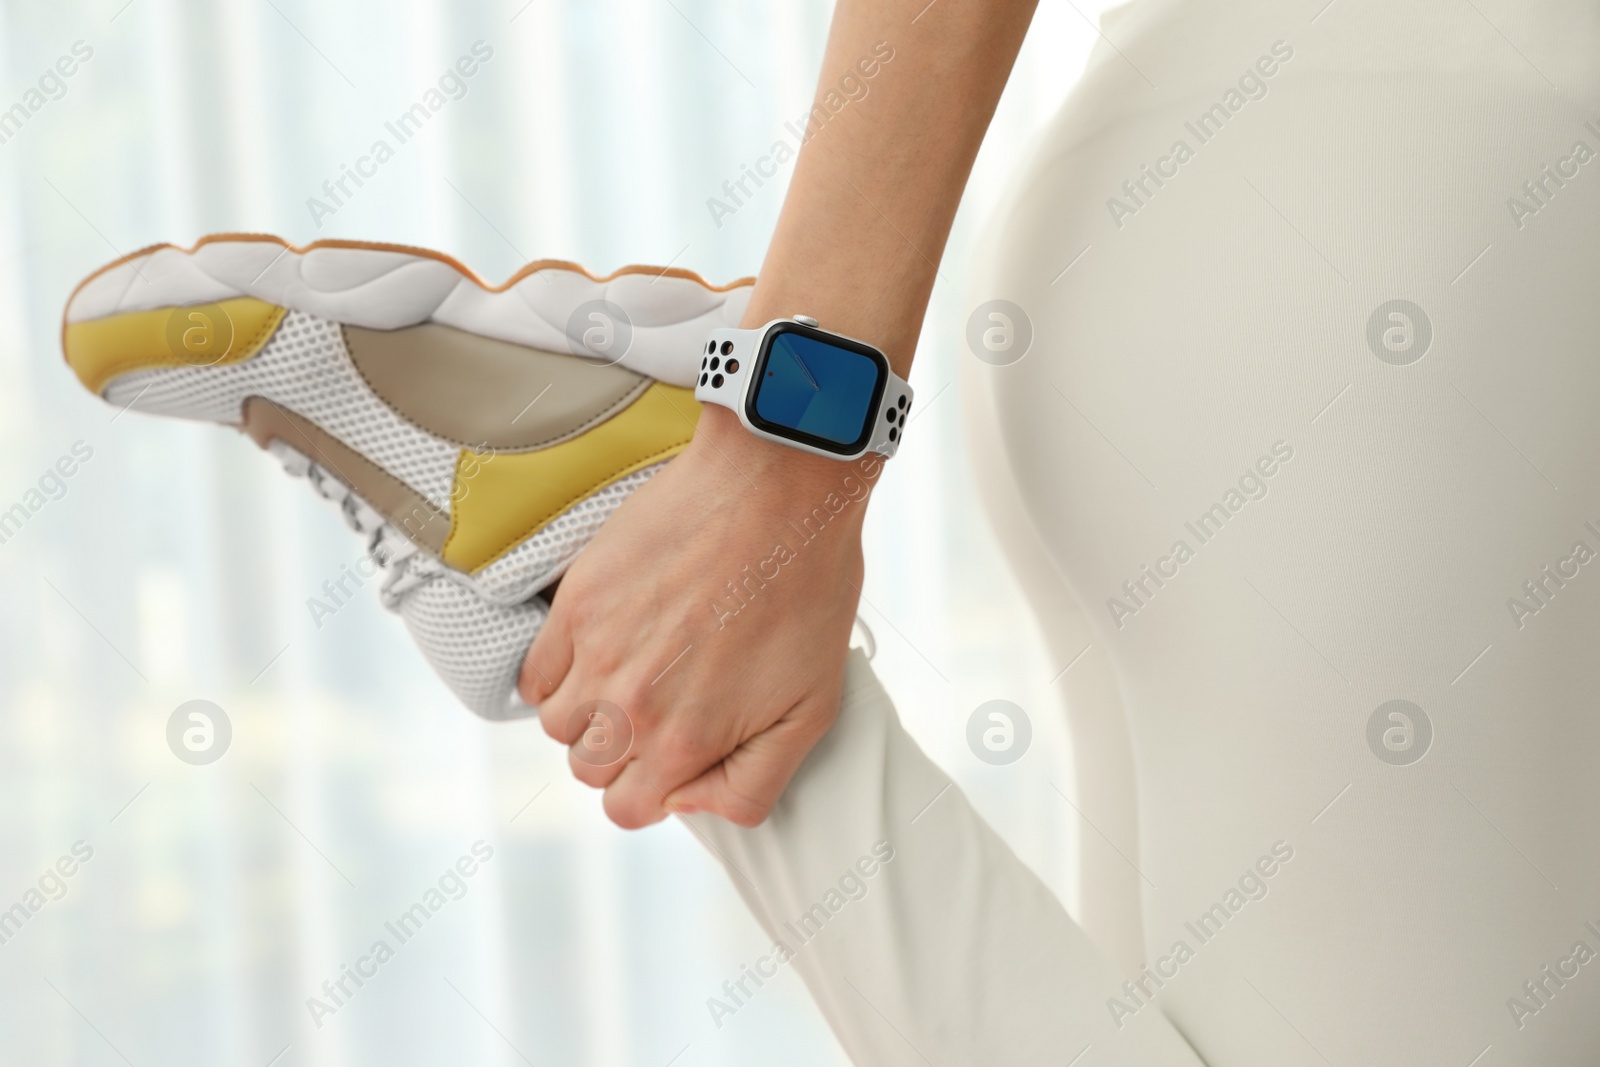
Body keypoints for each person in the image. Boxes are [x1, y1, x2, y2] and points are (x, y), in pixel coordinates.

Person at [64, 0, 1600, 1062]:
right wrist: (787, 446)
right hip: (1454, 223)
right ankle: (599, 511)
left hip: (1210, 194)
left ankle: (596, 523)